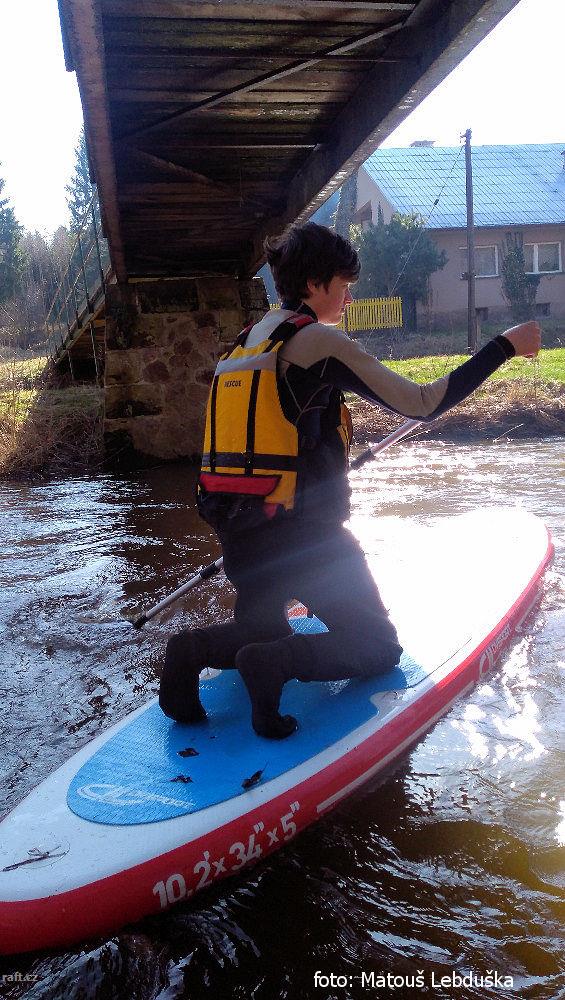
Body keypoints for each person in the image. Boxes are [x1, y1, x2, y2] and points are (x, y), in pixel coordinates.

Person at [159, 223, 541, 739]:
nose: (349, 296)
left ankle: (190, 650)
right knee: (377, 645)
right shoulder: (317, 342)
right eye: (343, 284)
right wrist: (504, 346)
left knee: (259, 628)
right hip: (307, 540)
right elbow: (423, 403)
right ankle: (274, 663)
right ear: (314, 284)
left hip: (240, 532)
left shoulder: (245, 344)